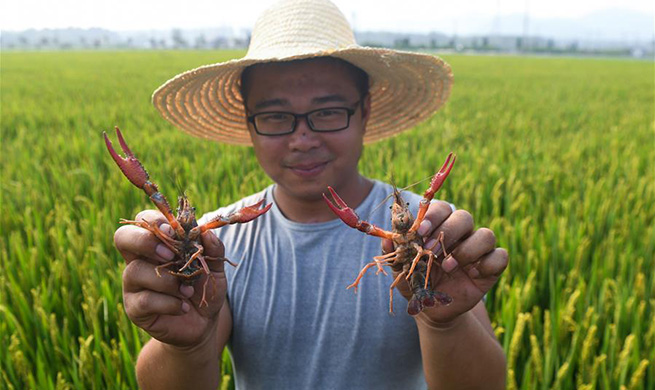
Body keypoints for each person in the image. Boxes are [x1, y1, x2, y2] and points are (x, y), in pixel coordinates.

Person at [114, 0, 508, 388]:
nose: (303, 138)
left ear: (365, 110)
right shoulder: (216, 244)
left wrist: (447, 323)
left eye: (328, 110)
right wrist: (186, 347)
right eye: (275, 116)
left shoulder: (437, 235)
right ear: (249, 124)